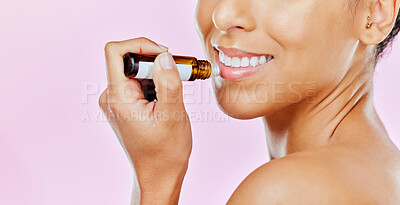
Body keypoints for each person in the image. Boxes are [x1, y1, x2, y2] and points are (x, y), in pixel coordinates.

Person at [99, 0, 400, 204]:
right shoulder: (382, 174)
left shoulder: (284, 193)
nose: (224, 14)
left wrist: (156, 179)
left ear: (376, 14)